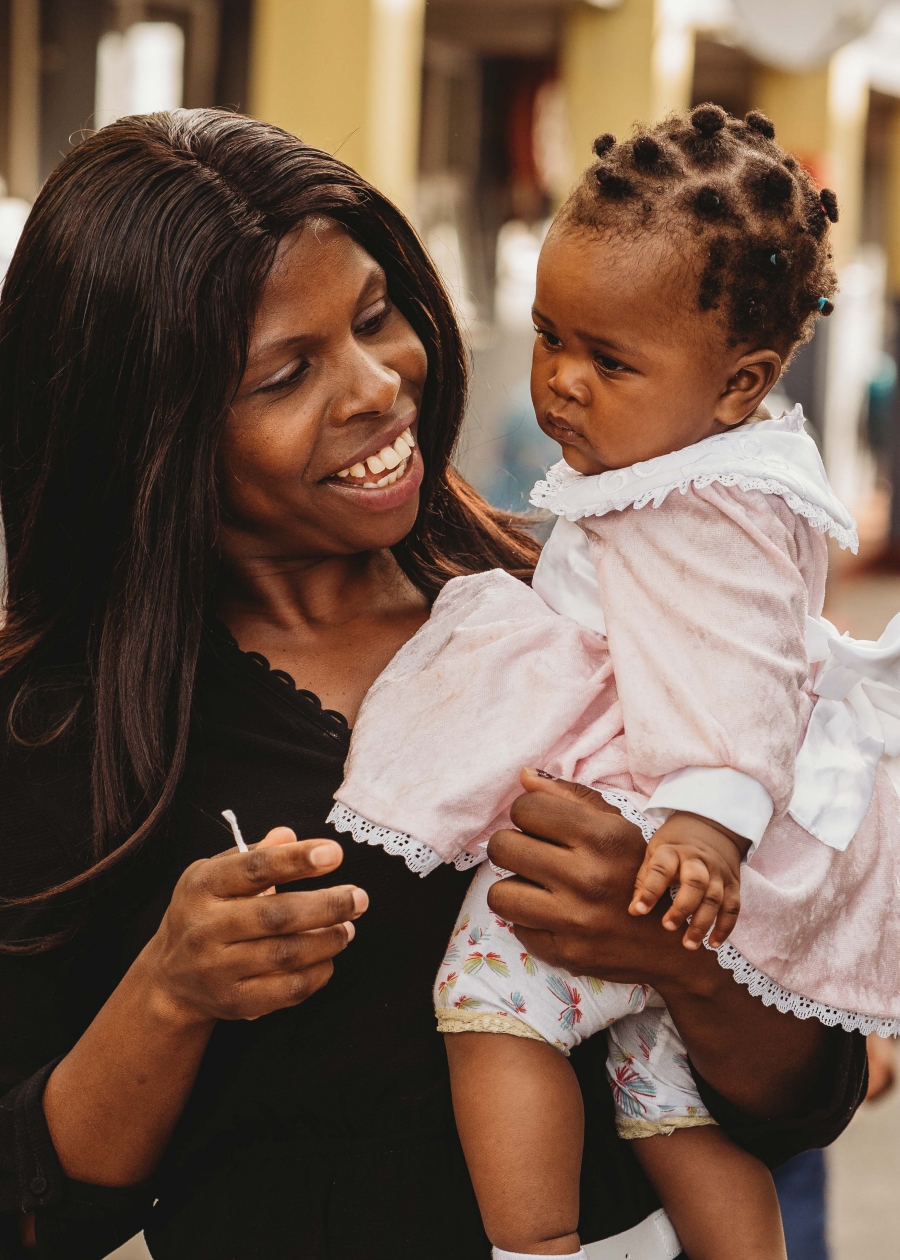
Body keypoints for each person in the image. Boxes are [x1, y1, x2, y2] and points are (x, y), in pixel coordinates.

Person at [0, 109, 868, 1260]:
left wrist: (671, 949)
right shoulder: (59, 733)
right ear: (151, 428)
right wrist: (169, 994)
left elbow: (810, 1091)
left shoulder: (588, 598)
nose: (376, 386)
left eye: (375, 316)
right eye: (285, 372)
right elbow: (34, 1210)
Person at [328, 105, 900, 1259]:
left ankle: (529, 1245)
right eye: (549, 337)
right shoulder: (697, 465)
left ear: (738, 384)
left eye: (609, 360)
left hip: (656, 832)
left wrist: (707, 825)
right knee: (672, 1108)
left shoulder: (709, 506)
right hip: (675, 845)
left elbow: (742, 673)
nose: (561, 383)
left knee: (489, 1006)